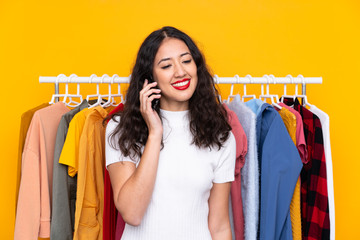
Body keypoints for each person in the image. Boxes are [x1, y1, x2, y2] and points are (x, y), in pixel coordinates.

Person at [105, 26, 236, 240]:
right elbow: (132, 213)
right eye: (166, 65)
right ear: (150, 77)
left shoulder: (220, 135)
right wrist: (155, 133)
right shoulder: (121, 129)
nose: (180, 71)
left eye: (186, 61)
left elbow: (220, 225)